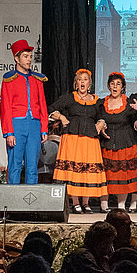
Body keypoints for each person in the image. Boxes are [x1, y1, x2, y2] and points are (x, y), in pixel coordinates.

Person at [48, 68, 108, 213]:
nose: (82, 82)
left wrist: (100, 123)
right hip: (72, 138)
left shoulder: (96, 101)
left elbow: (102, 116)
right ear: (76, 83)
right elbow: (51, 108)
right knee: (73, 169)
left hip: (89, 139)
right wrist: (62, 117)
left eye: (85, 79)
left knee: (87, 170)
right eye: (80, 79)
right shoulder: (69, 98)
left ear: (90, 84)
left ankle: (86, 203)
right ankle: (75, 202)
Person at [96, 72, 137, 213]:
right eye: (112, 84)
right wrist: (100, 126)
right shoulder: (102, 103)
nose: (115, 86)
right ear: (108, 86)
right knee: (107, 175)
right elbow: (98, 119)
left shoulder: (129, 102)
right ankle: (104, 204)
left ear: (122, 87)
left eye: (118, 84)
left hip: (126, 143)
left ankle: (123, 205)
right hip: (108, 144)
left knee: (126, 175)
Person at [0, 39, 48, 185]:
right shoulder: (9, 79)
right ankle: (12, 203)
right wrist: (9, 132)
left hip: (34, 125)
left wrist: (44, 128)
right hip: (17, 125)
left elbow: (43, 105)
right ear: (16, 58)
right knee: (14, 165)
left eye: (30, 56)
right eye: (25, 56)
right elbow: (5, 107)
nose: (29, 60)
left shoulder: (37, 79)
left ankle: (31, 203)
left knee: (33, 166)